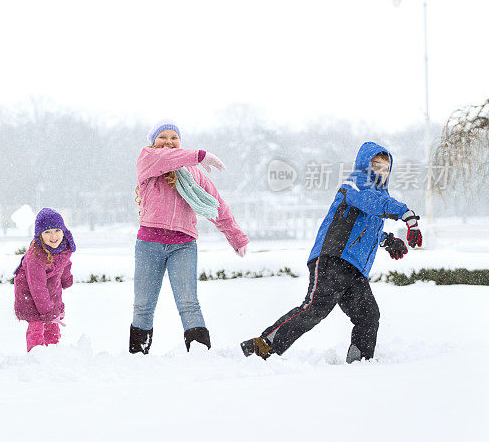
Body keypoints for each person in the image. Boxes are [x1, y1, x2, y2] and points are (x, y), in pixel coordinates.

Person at [241, 142, 423, 363]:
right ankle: (262, 346)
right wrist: (405, 214)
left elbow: (364, 230)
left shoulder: (379, 198)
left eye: (386, 168)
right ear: (365, 165)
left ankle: (360, 363)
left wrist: (387, 240)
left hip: (354, 269)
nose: (381, 173)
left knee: (368, 315)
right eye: (376, 166)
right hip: (333, 259)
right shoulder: (354, 185)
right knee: (314, 309)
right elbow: (371, 203)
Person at [131, 120, 249, 354]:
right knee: (143, 305)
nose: (168, 142)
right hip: (149, 244)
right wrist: (201, 155)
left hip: (183, 246)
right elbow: (166, 159)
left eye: (174, 138)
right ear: (153, 141)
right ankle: (138, 355)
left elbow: (215, 205)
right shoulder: (148, 160)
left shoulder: (193, 171)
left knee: (188, 303)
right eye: (162, 137)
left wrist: (236, 237)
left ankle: (200, 354)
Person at [14, 208, 75, 352]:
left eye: (56, 231)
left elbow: (65, 263)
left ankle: (52, 352)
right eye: (47, 232)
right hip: (29, 293)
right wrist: (47, 312)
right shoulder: (36, 256)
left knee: (53, 324)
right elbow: (37, 288)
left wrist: (66, 279)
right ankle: (36, 354)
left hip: (51, 289)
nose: (53, 236)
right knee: (37, 325)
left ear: (63, 231)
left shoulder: (64, 246)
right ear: (40, 235)